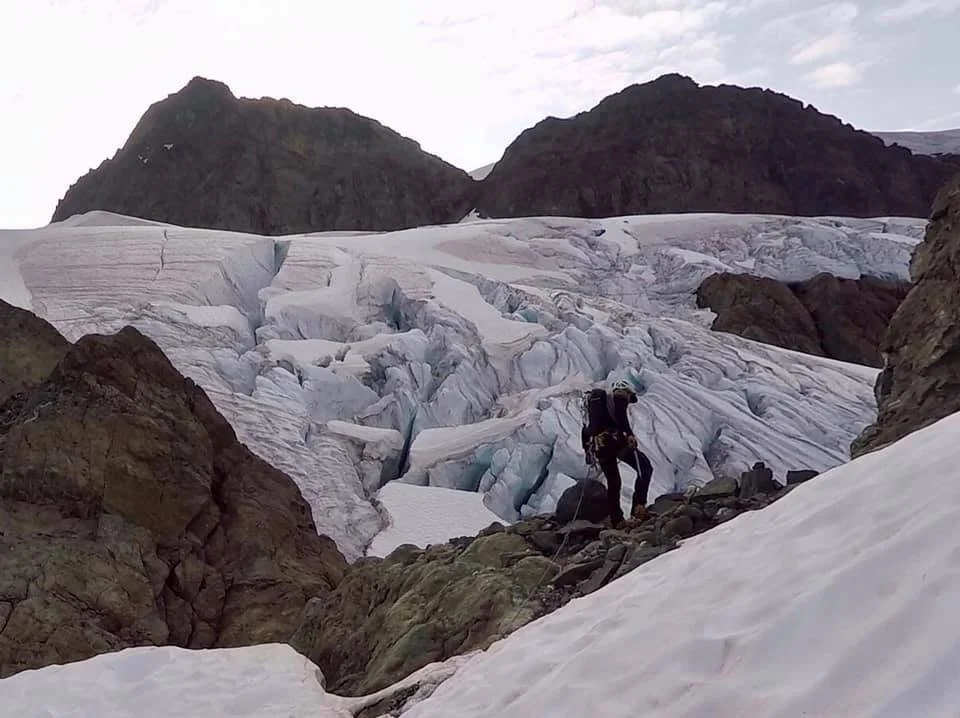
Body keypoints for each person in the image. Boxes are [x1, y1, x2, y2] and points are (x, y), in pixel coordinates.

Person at [581, 379, 654, 528]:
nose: (628, 400)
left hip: (600, 446)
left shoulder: (597, 406)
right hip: (616, 442)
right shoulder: (620, 396)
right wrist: (629, 433)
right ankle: (638, 508)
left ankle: (617, 520)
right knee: (645, 468)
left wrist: (589, 451)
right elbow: (621, 416)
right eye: (630, 397)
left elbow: (587, 431)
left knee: (614, 483)